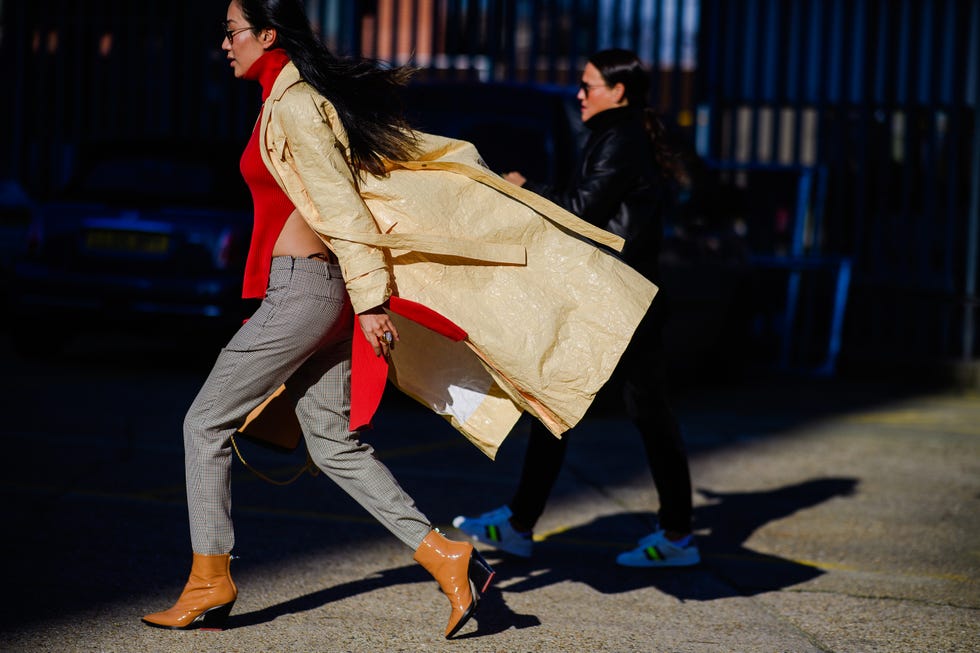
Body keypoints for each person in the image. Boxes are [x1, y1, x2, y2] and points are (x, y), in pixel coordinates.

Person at [143, 1, 656, 638]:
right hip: (318, 288)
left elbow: (344, 210)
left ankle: (209, 580)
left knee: (203, 421)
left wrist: (371, 301)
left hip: (308, 288)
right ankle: (447, 558)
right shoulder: (284, 97)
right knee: (333, 444)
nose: (224, 43)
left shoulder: (298, 103)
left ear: (267, 34)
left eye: (232, 31)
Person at [453, 49, 700, 568]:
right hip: (618, 296)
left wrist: (526, 190)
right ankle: (521, 524)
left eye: (589, 86)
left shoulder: (621, 138)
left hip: (622, 302)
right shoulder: (620, 135)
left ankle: (676, 537)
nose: (580, 94)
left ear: (620, 92)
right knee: (565, 406)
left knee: (635, 413)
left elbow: (585, 210)